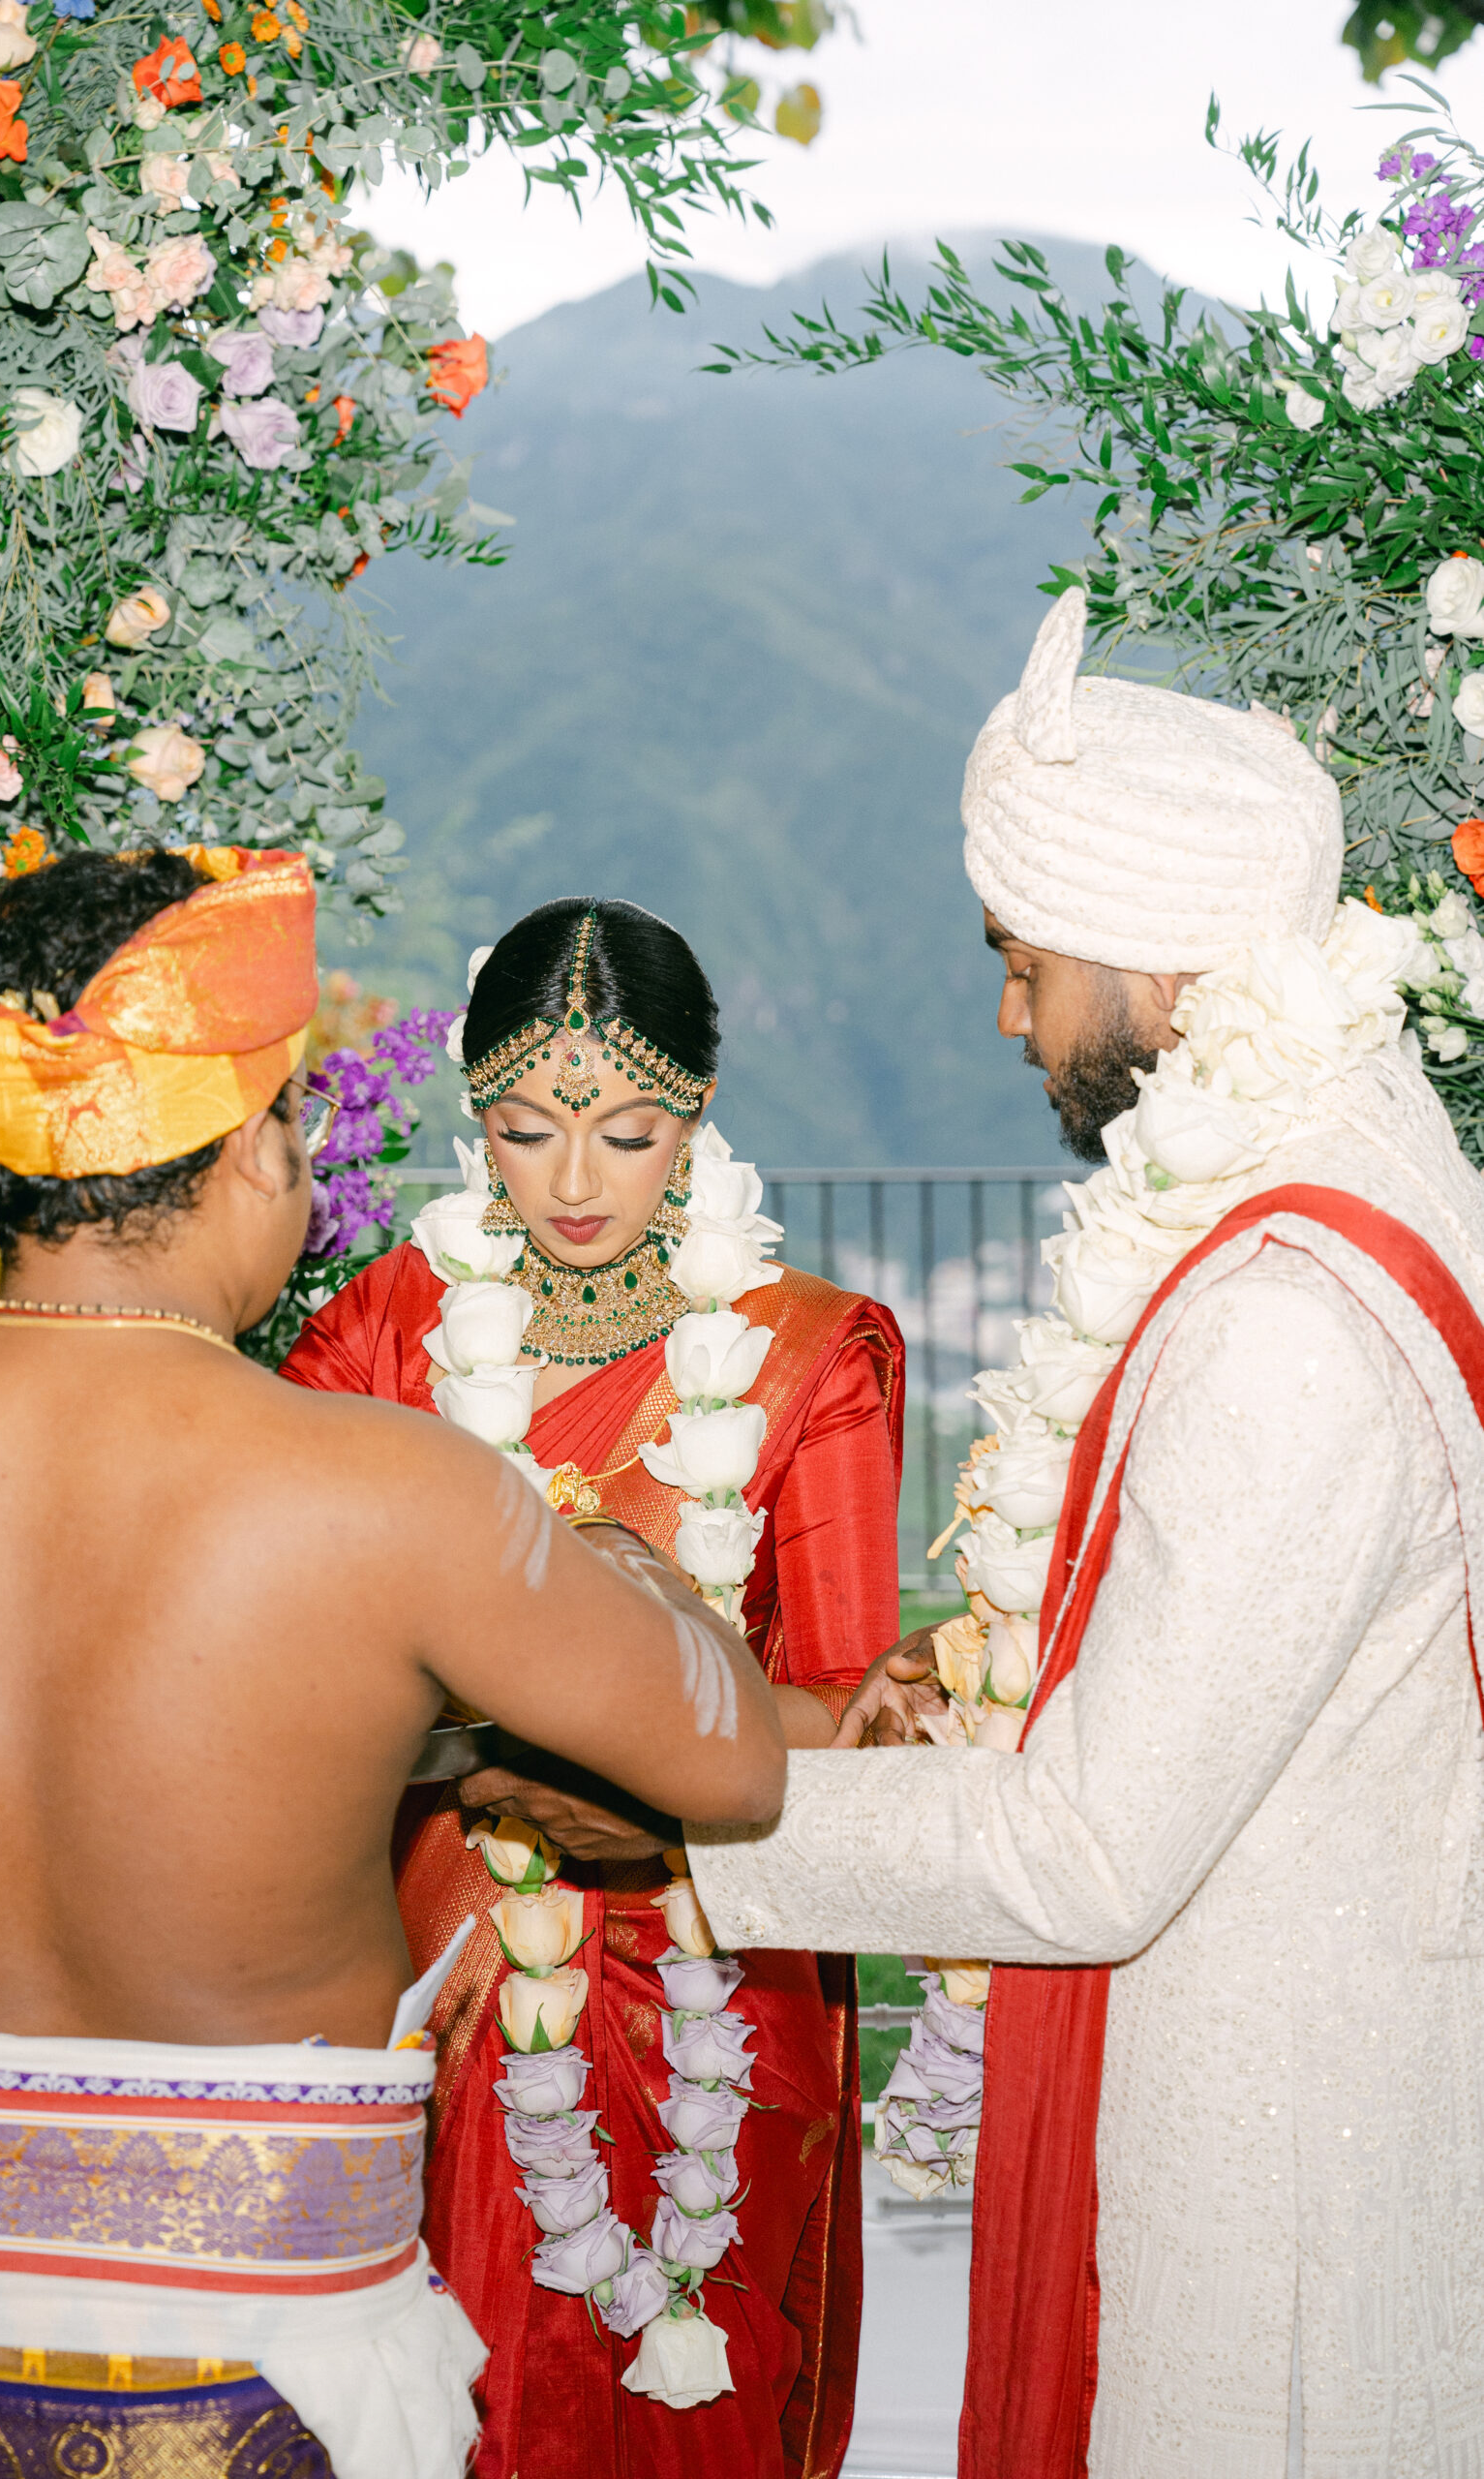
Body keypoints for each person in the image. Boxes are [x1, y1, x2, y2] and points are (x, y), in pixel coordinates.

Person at [0, 847, 786, 2479]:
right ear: (252, 1148)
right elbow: (738, 1768)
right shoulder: (394, 1498)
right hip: (275, 2365)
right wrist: (628, 1565)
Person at [682, 591, 1484, 2479]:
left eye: (1021, 959)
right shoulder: (1354, 1157)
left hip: (1267, 2170)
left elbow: (1090, 1847)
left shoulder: (1282, 1309)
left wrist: (686, 1814)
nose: (1004, 1011)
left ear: (1155, 961)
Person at [282, 897, 904, 2479]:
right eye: (522, 1130)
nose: (570, 1184)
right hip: (427, 1937)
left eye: (625, 1134)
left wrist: (640, 1789)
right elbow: (292, 1652)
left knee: (687, 2368)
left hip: (707, 1949)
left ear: (694, 1111)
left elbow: (836, 1702)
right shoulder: (382, 1331)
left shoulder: (808, 1355)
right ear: (471, 1121)